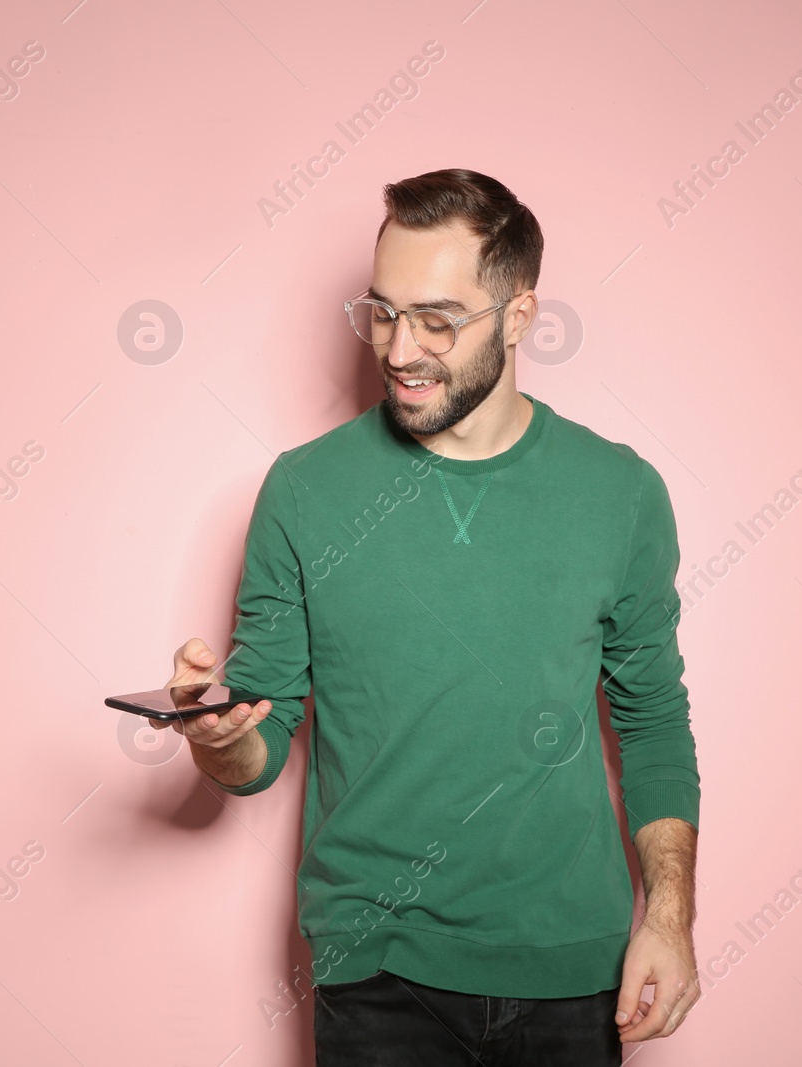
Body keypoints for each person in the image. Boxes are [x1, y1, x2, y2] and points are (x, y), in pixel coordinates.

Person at [154, 168, 701, 1066]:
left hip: (573, 967)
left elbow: (652, 722)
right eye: (381, 311)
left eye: (438, 320)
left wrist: (670, 918)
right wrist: (218, 741)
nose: (400, 348)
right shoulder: (303, 489)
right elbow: (259, 733)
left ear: (519, 317)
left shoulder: (622, 494)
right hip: (377, 976)